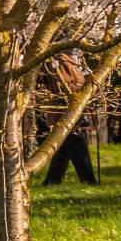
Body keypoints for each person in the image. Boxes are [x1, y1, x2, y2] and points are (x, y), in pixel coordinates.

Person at [42, 51, 97, 186]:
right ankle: (89, 181)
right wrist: (84, 87)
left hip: (74, 111)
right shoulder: (62, 63)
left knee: (64, 150)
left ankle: (52, 181)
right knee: (79, 146)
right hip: (67, 113)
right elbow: (62, 87)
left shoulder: (75, 63)